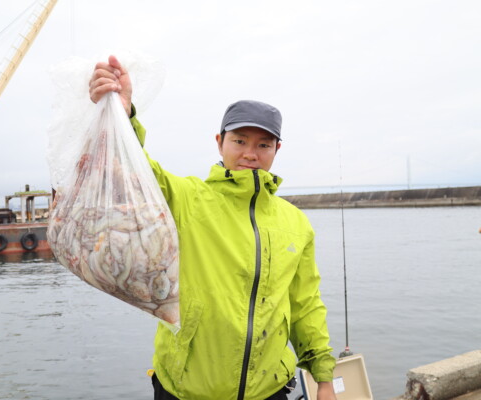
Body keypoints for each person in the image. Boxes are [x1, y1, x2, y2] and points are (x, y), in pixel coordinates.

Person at [89, 55, 337, 400]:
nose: (251, 152)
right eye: (240, 140)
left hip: (269, 390)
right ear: (219, 141)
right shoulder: (188, 198)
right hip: (186, 390)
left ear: (277, 149)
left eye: (263, 144)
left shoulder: (295, 222)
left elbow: (305, 304)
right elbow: (138, 170)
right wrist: (123, 113)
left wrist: (323, 378)